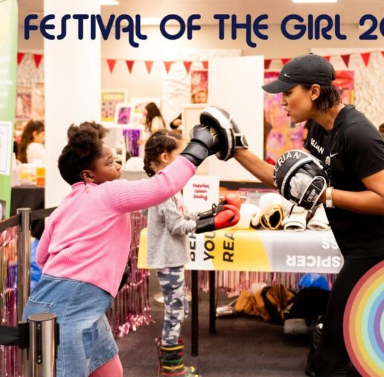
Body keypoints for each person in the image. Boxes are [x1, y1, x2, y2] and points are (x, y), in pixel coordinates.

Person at [231, 54, 384, 376]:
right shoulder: (318, 129)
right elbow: (291, 182)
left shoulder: (357, 133)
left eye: (288, 93)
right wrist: (236, 150)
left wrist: (326, 194)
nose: (282, 101)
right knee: (354, 351)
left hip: (380, 251)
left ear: (314, 92)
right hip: (356, 250)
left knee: (331, 354)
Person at [21, 119, 228, 377]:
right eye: (109, 163)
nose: (117, 165)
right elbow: (161, 187)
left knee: (111, 372)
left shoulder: (66, 204)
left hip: (61, 299)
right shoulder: (107, 192)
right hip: (72, 305)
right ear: (88, 175)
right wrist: (198, 147)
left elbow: (42, 257)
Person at [143, 130, 199, 376]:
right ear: (165, 157)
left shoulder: (170, 186)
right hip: (168, 260)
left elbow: (183, 215)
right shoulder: (164, 188)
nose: (186, 159)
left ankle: (170, 364)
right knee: (175, 311)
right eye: (181, 154)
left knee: (179, 309)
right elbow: (177, 226)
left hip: (172, 258)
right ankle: (171, 369)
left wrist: (207, 215)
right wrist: (208, 224)